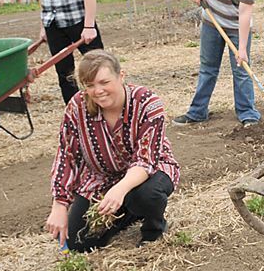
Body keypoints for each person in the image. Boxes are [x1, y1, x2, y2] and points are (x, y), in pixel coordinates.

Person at [45, 50, 179, 251]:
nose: (98, 91)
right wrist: (60, 204)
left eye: (104, 82)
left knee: (146, 195)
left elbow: (146, 160)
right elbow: (67, 155)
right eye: (90, 85)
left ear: (121, 76)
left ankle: (153, 228)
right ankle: (128, 211)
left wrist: (120, 189)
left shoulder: (147, 103)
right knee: (77, 243)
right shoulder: (77, 106)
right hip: (102, 178)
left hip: (150, 172)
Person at [173, 0, 262, 126]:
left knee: (241, 69)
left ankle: (248, 114)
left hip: (236, 26)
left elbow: (245, 11)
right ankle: (197, 112)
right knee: (208, 68)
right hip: (211, 21)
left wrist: (241, 48)